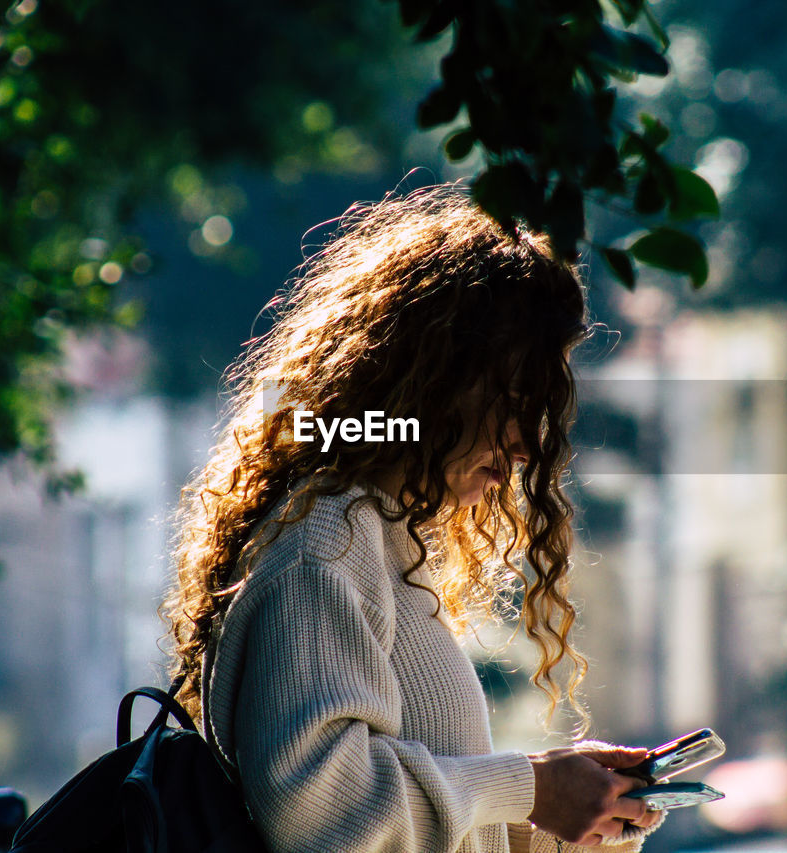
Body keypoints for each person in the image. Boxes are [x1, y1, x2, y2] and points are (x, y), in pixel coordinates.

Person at [161, 185, 665, 852]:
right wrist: (531, 787)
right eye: (513, 402)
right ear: (433, 384)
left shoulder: (382, 540)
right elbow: (321, 819)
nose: (524, 447)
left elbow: (426, 828)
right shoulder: (327, 541)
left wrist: (581, 818)